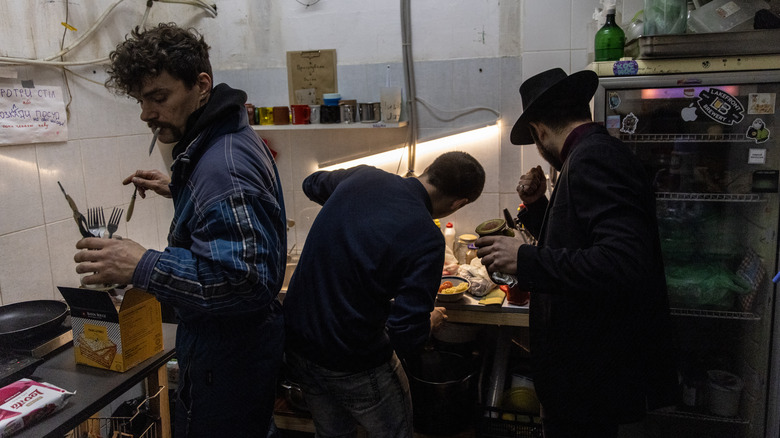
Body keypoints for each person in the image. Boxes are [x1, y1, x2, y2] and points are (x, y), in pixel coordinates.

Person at [73, 23, 287, 438]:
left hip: (228, 356)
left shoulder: (222, 165)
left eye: (159, 97)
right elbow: (229, 216)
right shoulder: (221, 139)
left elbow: (245, 282)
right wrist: (181, 189)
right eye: (141, 100)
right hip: (233, 348)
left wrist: (142, 264)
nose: (146, 113)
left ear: (201, 86)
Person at [475, 68, 678, 438]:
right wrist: (537, 208)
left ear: (538, 131)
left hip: (591, 375)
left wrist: (524, 259)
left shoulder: (593, 158)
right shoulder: (593, 154)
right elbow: (581, 242)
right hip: (588, 374)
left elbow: (622, 262)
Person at [282, 152, 485, 438]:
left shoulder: (364, 176)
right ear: (458, 203)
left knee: (332, 434)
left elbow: (311, 183)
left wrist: (351, 203)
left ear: (428, 171)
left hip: (298, 344)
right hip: (353, 359)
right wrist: (432, 321)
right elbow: (406, 334)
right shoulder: (427, 237)